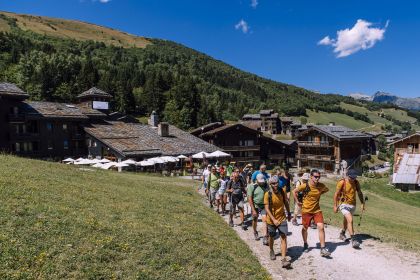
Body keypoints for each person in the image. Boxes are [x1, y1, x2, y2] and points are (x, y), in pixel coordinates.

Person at [293, 169, 331, 257]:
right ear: (311, 177)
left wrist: (319, 194)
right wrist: (298, 201)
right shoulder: (305, 186)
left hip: (317, 210)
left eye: (319, 177)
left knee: (321, 227)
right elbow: (294, 191)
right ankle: (305, 243)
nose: (317, 179)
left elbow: (326, 190)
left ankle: (323, 248)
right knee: (305, 228)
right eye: (315, 177)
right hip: (306, 210)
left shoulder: (321, 186)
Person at [333, 169, 366, 248]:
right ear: (348, 176)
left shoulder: (356, 182)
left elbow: (359, 193)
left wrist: (362, 203)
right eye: (352, 178)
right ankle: (354, 240)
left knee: (347, 220)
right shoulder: (342, 182)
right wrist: (335, 205)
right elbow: (336, 194)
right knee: (350, 220)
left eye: (354, 177)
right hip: (343, 204)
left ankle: (342, 233)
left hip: (352, 205)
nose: (353, 179)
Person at [265, 176, 292, 267]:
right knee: (271, 236)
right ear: (270, 184)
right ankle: (271, 250)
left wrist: (288, 213)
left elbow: (286, 202)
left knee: (283, 237)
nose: (275, 185)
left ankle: (284, 259)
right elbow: (267, 209)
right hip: (271, 219)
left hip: (282, 218)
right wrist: (273, 219)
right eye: (273, 183)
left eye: (276, 183)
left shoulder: (282, 191)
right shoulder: (267, 194)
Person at [248, 173, 269, 245]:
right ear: (256, 180)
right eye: (260, 181)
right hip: (255, 205)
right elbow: (250, 198)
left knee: (265, 220)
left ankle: (265, 236)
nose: (261, 183)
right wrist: (253, 209)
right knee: (255, 219)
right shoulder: (252, 186)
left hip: (264, 205)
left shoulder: (266, 185)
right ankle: (255, 231)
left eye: (262, 181)